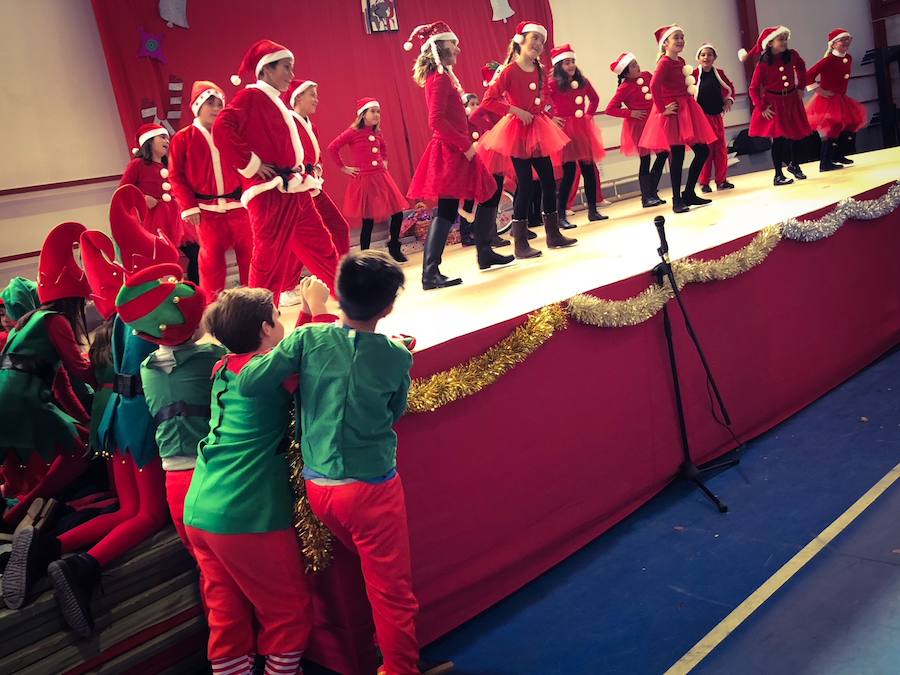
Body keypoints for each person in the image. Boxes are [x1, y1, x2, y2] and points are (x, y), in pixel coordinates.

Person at [237, 252, 453, 675]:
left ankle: (384, 652)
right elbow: (394, 412)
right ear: (389, 307)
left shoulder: (306, 341)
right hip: (371, 490)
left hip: (321, 489)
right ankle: (399, 668)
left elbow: (248, 382)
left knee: (371, 575)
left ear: (335, 295)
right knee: (391, 592)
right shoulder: (395, 356)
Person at [184, 284, 328, 675]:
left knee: (227, 613)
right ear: (266, 328)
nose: (282, 323)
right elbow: (317, 364)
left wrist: (302, 320)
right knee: (288, 612)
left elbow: (279, 360)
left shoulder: (223, 367)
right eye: (278, 317)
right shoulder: (272, 375)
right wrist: (316, 312)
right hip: (246, 511)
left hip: (201, 507)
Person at [214, 39, 339, 300]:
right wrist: (252, 165)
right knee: (268, 260)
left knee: (322, 247)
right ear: (266, 70)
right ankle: (255, 321)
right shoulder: (251, 96)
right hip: (271, 193)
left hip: (295, 188)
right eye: (286, 67)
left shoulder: (275, 101)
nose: (291, 75)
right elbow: (221, 128)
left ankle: (353, 303)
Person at [0, 225, 95, 566]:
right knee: (79, 453)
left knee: (17, 468)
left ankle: (14, 505)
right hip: (24, 400)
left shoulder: (29, 320)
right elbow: (80, 371)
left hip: (9, 398)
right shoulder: (57, 321)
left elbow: (60, 384)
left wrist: (82, 419)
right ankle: (18, 514)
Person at [404, 21, 514, 287]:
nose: (458, 48)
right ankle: (431, 272)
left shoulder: (443, 76)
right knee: (452, 206)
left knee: (486, 193)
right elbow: (436, 120)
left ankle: (483, 253)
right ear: (439, 46)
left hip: (456, 148)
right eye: (453, 43)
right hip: (452, 150)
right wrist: (464, 146)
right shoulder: (439, 78)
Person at [477, 20, 576, 256]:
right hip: (517, 132)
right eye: (535, 39)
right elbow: (488, 100)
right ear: (520, 41)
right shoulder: (509, 70)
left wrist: (548, 117)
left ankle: (553, 235)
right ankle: (520, 243)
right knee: (525, 186)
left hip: (538, 128)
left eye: (542, 41)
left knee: (549, 181)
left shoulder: (540, 69)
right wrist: (515, 110)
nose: (539, 44)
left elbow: (542, 100)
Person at [168, 81, 252, 299]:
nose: (216, 109)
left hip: (239, 206)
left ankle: (257, 300)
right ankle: (212, 306)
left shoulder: (231, 133)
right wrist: (189, 207)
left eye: (219, 104)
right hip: (207, 210)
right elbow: (176, 176)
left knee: (251, 254)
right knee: (211, 259)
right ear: (197, 107)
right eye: (210, 104)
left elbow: (245, 164)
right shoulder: (183, 138)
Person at [639, 25, 717, 213]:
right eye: (677, 38)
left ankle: (688, 192)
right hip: (674, 112)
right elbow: (654, 85)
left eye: (682, 37)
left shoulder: (680, 60)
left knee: (702, 150)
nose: (681, 40)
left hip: (686, 108)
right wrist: (661, 109)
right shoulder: (664, 62)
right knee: (678, 156)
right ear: (666, 43)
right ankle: (677, 200)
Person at [327, 96, 409, 262]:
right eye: (372, 111)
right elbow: (332, 148)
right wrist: (343, 167)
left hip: (381, 177)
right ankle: (364, 255)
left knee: (398, 214)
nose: (377, 114)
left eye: (378, 111)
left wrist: (384, 161)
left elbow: (383, 148)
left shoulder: (377, 132)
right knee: (368, 219)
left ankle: (394, 245)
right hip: (365, 180)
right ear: (363, 114)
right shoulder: (353, 132)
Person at [120, 124, 198, 280]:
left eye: (168, 138)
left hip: (175, 218)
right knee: (165, 261)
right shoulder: (138, 164)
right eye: (162, 137)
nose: (167, 141)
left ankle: (194, 293)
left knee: (197, 253)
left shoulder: (166, 165)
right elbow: (123, 191)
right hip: (154, 220)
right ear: (149, 141)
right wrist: (142, 198)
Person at [740, 25, 813, 186]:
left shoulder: (792, 55)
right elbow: (753, 89)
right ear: (770, 43)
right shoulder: (763, 64)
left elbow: (801, 67)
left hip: (792, 100)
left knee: (796, 134)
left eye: (786, 39)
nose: (785, 42)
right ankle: (778, 174)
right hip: (774, 104)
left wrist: (801, 86)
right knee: (778, 140)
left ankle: (794, 164)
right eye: (781, 39)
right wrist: (761, 107)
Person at [547, 43, 607, 226]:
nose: (571, 65)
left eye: (572, 61)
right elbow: (541, 102)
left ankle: (592, 211)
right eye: (566, 62)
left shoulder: (583, 81)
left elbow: (595, 99)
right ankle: (561, 215)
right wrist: (551, 118)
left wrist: (588, 115)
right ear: (558, 65)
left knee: (589, 170)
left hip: (581, 129)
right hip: (564, 130)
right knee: (569, 172)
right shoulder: (553, 83)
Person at [605, 52, 669, 207]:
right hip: (639, 126)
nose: (637, 66)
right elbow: (610, 109)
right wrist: (630, 112)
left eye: (636, 63)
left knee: (663, 153)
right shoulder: (624, 87)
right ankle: (646, 197)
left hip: (654, 122)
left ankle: (652, 191)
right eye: (633, 65)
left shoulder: (647, 75)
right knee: (645, 160)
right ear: (626, 72)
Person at [805, 28, 867, 171]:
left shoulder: (848, 58)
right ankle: (825, 162)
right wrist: (819, 90)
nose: (845, 43)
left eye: (847, 40)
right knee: (833, 128)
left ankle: (837, 155)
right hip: (829, 99)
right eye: (842, 40)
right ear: (833, 44)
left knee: (849, 124)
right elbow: (809, 75)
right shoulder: (828, 60)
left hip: (841, 98)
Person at [694, 44, 737, 192]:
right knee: (706, 151)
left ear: (714, 57)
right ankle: (704, 182)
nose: (706, 57)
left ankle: (721, 180)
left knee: (720, 150)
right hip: (702, 119)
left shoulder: (719, 73)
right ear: (698, 58)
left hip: (716, 116)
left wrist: (729, 100)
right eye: (703, 55)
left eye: (709, 54)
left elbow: (730, 88)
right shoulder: (693, 75)